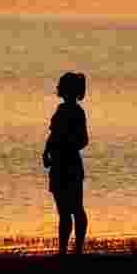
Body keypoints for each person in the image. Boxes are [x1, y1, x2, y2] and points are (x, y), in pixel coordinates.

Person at [43, 72, 89, 255]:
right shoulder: (60, 110)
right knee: (64, 211)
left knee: (76, 208)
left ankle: (77, 248)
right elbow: (52, 135)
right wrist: (46, 152)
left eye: (61, 85)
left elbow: (83, 140)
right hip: (58, 165)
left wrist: (65, 146)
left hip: (69, 165)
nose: (58, 88)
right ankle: (62, 249)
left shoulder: (77, 112)